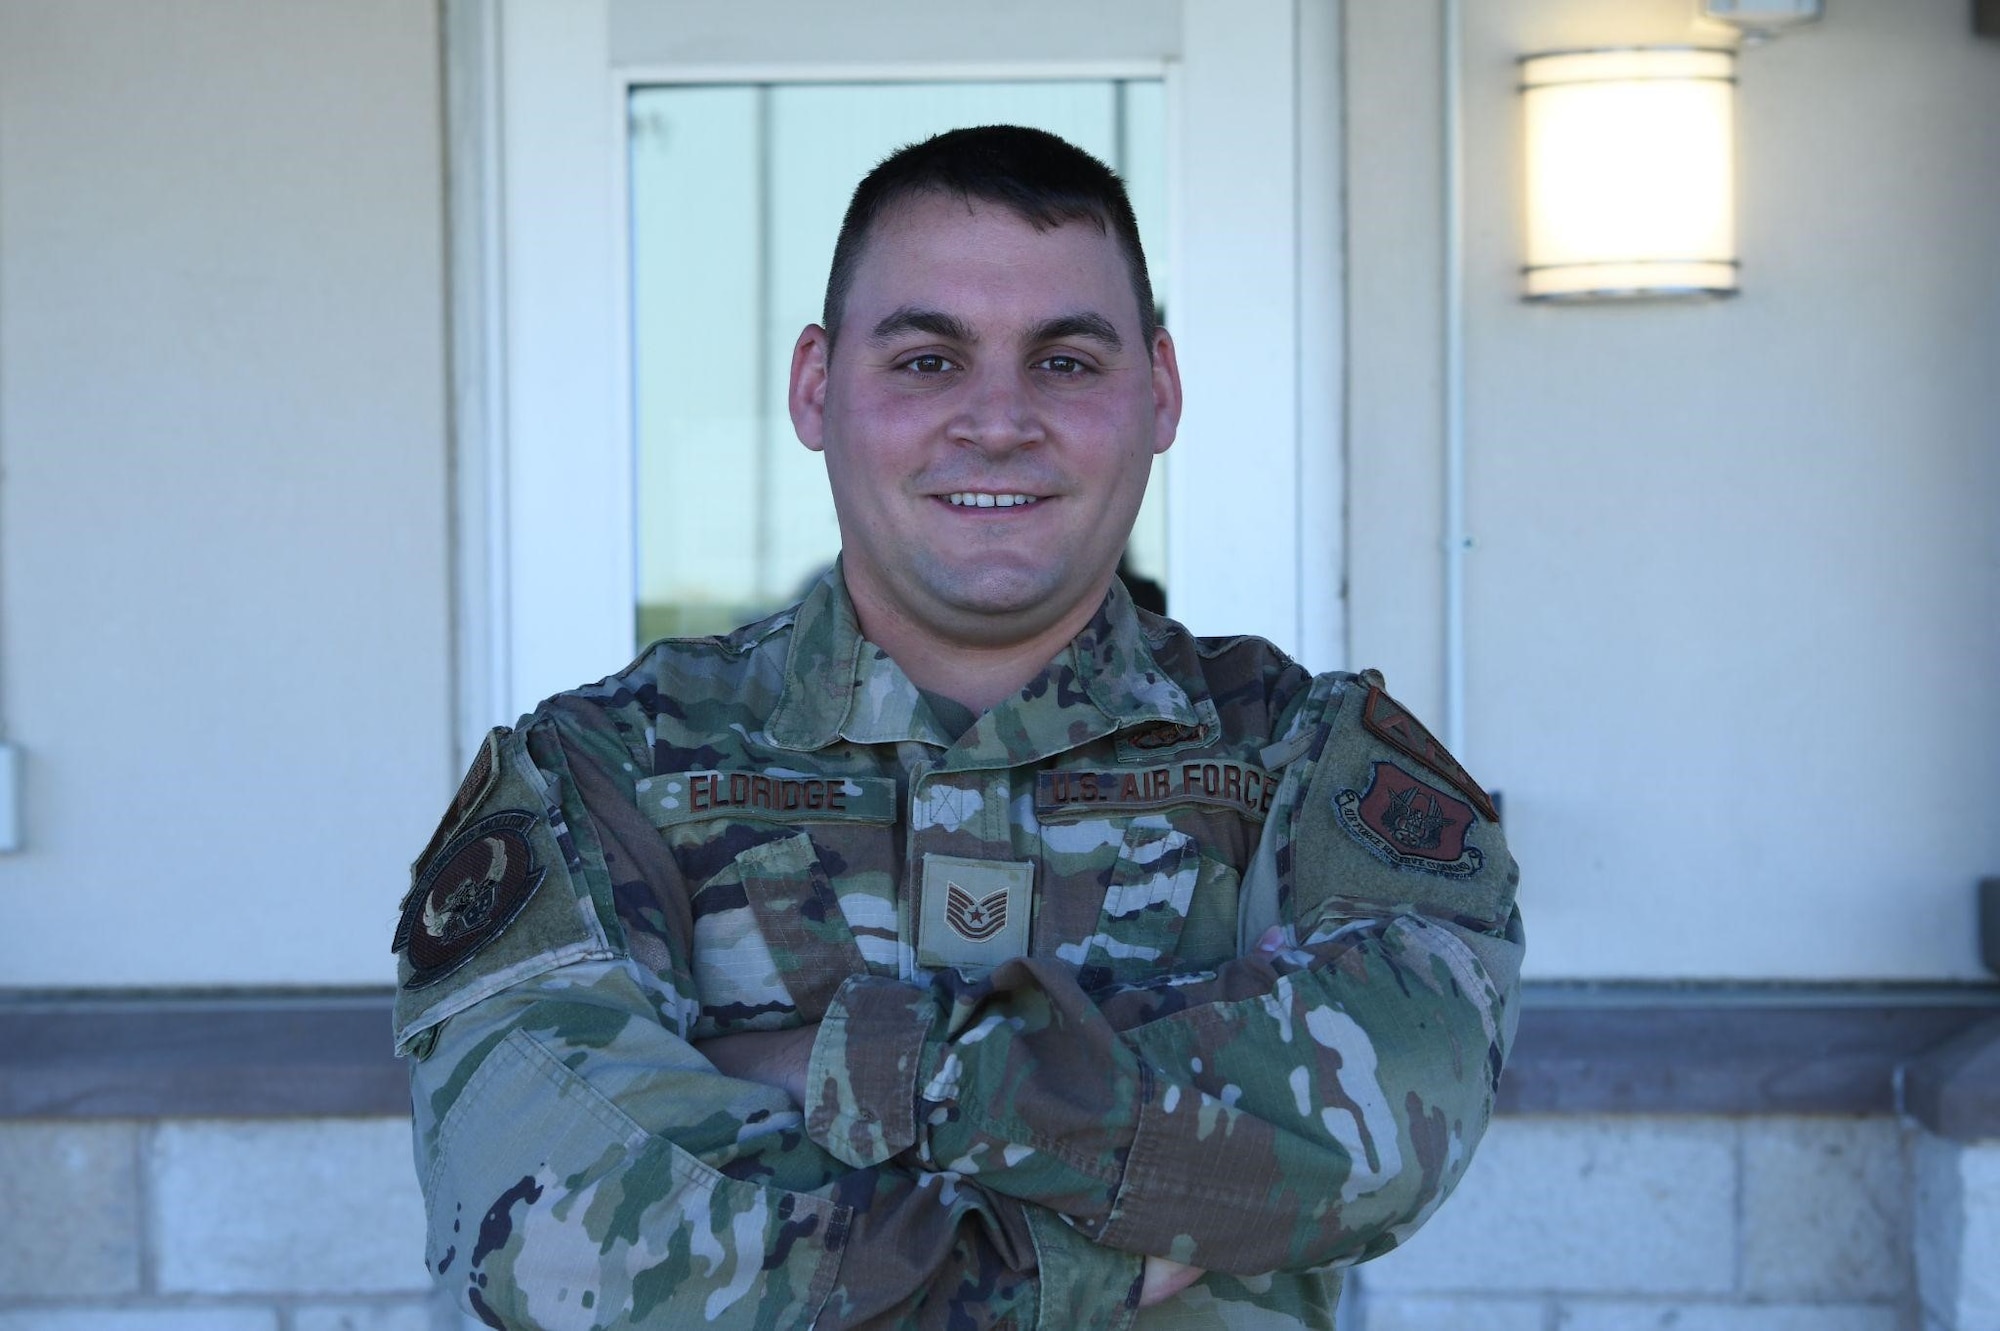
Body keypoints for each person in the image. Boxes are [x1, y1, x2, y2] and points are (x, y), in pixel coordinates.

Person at [393, 125, 1524, 1331]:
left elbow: (1379, 1121)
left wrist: (838, 1063)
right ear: (818, 389)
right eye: (928, 361)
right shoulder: (601, 770)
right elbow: (563, 1234)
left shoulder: (1304, 758)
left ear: (1162, 390)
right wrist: (1088, 1251)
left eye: (1067, 363)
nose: (997, 421)